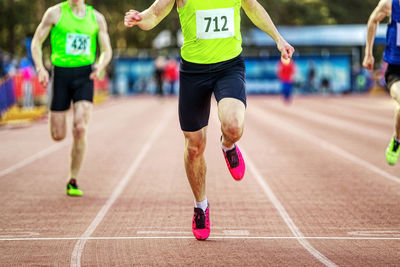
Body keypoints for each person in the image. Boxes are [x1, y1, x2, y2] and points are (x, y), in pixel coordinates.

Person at [124, 0, 294, 240]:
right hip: (194, 72)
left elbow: (253, 8)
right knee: (194, 146)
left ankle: (228, 145)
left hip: (229, 67)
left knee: (233, 126)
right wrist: (140, 18)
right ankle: (200, 206)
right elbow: (154, 14)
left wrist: (278, 38)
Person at [31, 0, 112, 196]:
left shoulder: (97, 18)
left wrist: (100, 66)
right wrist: (40, 68)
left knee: (80, 127)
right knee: (58, 135)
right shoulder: (54, 13)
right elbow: (36, 41)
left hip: (85, 75)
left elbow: (107, 50)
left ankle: (72, 179)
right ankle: (59, 122)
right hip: (61, 75)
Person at [363, 0, 400, 166]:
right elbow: (373, 20)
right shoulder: (391, 4)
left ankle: (396, 138)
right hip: (396, 69)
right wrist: (368, 53)